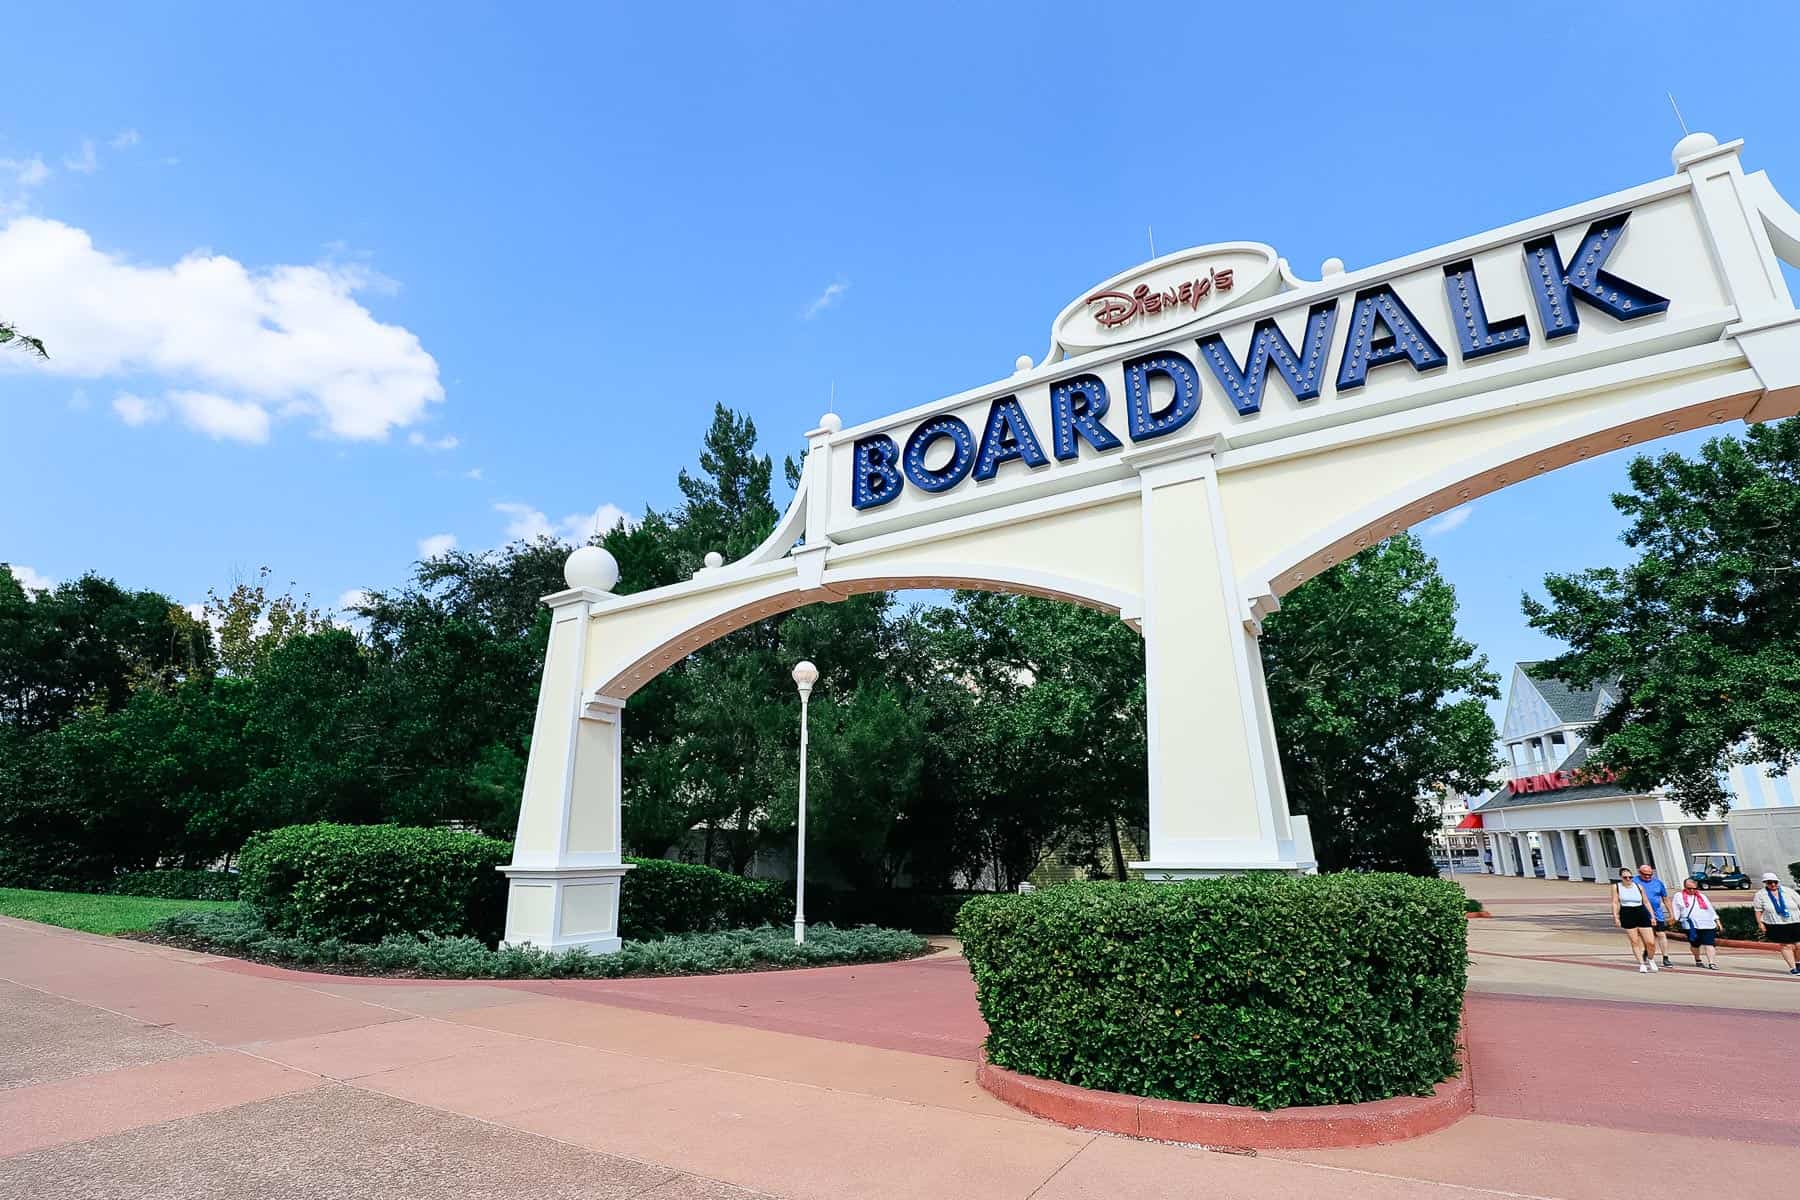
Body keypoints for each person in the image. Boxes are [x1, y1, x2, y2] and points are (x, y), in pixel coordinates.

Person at [1752, 872, 1800, 976]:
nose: (1773, 884)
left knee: (1798, 945)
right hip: (1776, 924)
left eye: (1775, 882)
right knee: (1786, 945)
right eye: (1770, 883)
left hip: (1795, 921)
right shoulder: (1760, 894)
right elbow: (1758, 910)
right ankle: (1793, 968)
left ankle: (1798, 963)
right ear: (1765, 883)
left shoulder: (1788, 891)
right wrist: (1760, 923)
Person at [1612, 868, 1659, 972]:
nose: (1628, 879)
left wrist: (1652, 916)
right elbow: (1615, 902)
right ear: (1621, 878)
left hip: (1640, 911)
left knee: (1650, 942)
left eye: (1630, 877)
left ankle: (1651, 959)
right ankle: (1641, 963)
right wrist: (1616, 917)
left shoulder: (1638, 886)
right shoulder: (1616, 887)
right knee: (1634, 941)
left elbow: (1646, 902)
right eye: (1625, 877)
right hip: (1627, 912)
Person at [1672, 877, 1720, 970]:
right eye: (1689, 888)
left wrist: (1717, 920)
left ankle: (1711, 963)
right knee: (1695, 944)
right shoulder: (1678, 896)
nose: (1692, 890)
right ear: (1685, 887)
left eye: (1694, 888)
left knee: (1709, 943)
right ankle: (1698, 959)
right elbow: (1676, 908)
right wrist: (1675, 919)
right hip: (1690, 925)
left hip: (1707, 923)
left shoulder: (1702, 896)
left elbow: (1710, 909)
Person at [1635, 864, 1674, 968]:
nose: (1648, 877)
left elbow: (1665, 899)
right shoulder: (1634, 881)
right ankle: (1647, 951)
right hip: (1641, 913)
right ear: (1639, 873)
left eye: (1650, 874)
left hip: (1657, 914)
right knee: (1646, 936)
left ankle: (1665, 957)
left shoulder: (1658, 883)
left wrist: (1671, 913)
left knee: (1661, 934)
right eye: (1645, 875)